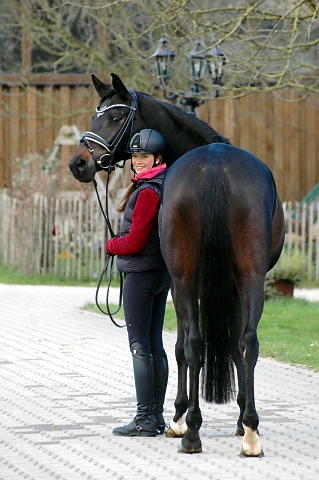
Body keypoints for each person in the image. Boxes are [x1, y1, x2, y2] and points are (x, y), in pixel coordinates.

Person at [105, 129, 170, 437]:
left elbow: (135, 240)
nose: (137, 162)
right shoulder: (163, 184)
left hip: (142, 275)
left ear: (157, 158)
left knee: (140, 347)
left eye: (144, 156)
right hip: (160, 273)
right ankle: (157, 417)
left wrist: (111, 245)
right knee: (154, 344)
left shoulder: (147, 192)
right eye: (134, 156)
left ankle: (144, 417)